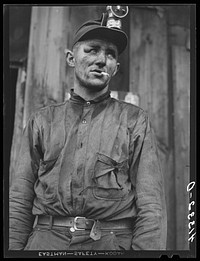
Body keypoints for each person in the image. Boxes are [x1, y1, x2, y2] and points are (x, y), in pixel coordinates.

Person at [9, 11, 167, 251]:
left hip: (111, 241)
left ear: (115, 68)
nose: (102, 59)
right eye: (92, 50)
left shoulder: (134, 120)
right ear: (71, 58)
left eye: (110, 54)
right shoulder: (41, 121)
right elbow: (19, 199)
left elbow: (151, 205)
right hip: (46, 240)